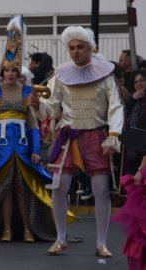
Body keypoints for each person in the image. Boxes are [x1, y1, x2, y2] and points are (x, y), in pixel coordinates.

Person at [0, 16, 77, 244]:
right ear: (2, 72)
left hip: (22, 147)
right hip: (1, 148)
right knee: (4, 190)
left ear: (19, 72)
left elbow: (33, 123)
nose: (10, 74)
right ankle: (6, 230)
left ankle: (27, 228)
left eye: (14, 70)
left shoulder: (26, 92)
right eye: (7, 70)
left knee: (23, 189)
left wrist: (34, 149)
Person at [29, 26, 124, 257]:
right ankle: (60, 238)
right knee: (60, 186)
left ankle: (101, 242)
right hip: (69, 136)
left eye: (80, 47)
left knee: (101, 190)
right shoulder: (60, 74)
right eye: (71, 48)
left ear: (90, 48)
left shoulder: (105, 75)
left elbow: (116, 106)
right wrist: (37, 104)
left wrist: (114, 135)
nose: (75, 51)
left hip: (96, 135)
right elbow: (50, 106)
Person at [122, 70, 146, 175]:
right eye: (136, 82)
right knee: (132, 175)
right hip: (132, 141)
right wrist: (132, 98)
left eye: (142, 80)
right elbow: (121, 114)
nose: (139, 84)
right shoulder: (130, 97)